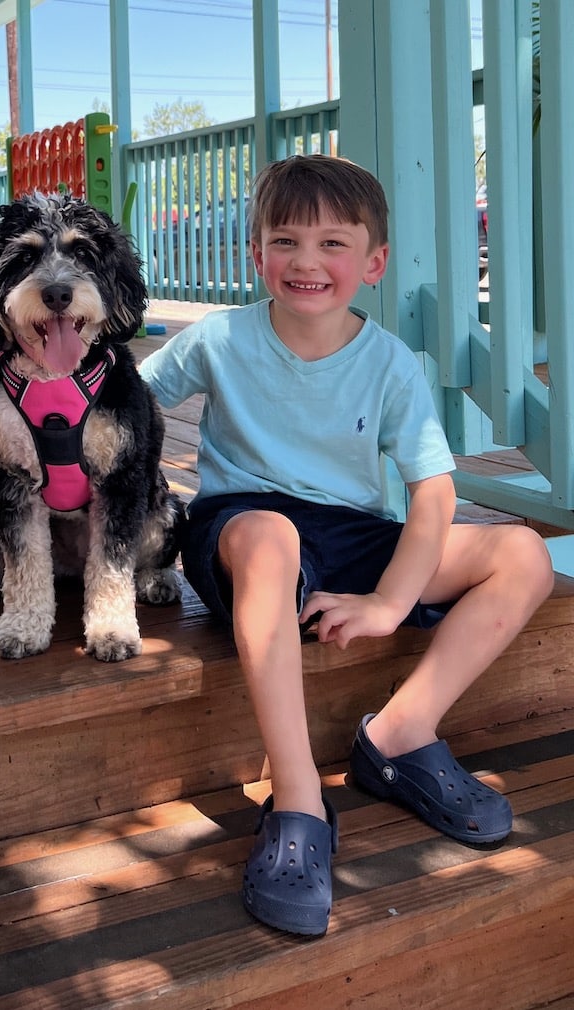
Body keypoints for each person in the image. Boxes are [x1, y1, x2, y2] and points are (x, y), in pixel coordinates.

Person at [139, 153, 554, 937]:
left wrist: (392, 599)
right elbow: (119, 401)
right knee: (272, 537)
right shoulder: (220, 339)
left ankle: (398, 734)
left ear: (373, 262)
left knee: (523, 554)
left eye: (333, 243)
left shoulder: (390, 362)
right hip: (245, 528)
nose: (306, 261)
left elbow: (432, 490)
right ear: (256, 254)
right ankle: (297, 798)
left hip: (354, 534)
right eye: (285, 240)